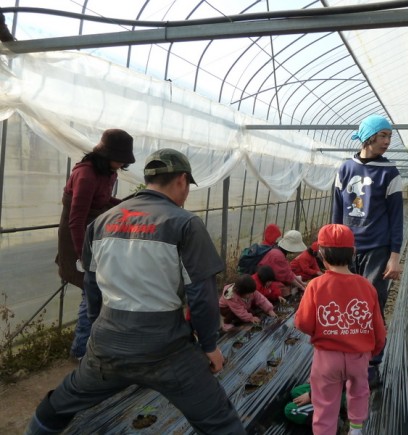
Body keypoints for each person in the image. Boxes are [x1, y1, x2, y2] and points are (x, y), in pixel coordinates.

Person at [26, 149, 245, 435]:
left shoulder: (101, 223)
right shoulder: (184, 223)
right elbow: (201, 296)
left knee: (56, 407)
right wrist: (209, 345)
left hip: (106, 345)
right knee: (220, 420)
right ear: (181, 180)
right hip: (166, 349)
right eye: (188, 186)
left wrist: (97, 329)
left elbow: (92, 288)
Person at [294, 224, 386, 435]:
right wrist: (372, 350)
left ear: (321, 255)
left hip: (327, 358)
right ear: (353, 253)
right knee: (359, 391)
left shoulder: (315, 286)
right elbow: (378, 328)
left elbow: (303, 323)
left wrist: (323, 331)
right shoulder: (366, 286)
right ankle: (355, 429)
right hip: (359, 356)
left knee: (324, 401)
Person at [55, 128, 135, 360]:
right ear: (107, 154)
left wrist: (124, 204)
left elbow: (100, 200)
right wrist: (83, 256)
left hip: (96, 233)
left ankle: (90, 346)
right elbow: (76, 218)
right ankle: (81, 350)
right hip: (77, 237)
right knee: (91, 292)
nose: (122, 164)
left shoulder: (109, 172)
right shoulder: (87, 174)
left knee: (97, 292)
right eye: (120, 159)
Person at [332, 114, 403, 364]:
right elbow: (337, 212)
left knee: (372, 302)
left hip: (377, 249)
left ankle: (372, 361)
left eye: (389, 136)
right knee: (345, 302)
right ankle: (349, 353)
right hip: (348, 249)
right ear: (368, 136)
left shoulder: (390, 172)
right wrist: (333, 247)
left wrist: (394, 257)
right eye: (383, 135)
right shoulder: (345, 168)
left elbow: (397, 218)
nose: (387, 141)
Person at [258, 230, 308, 296]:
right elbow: (287, 277)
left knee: (296, 280)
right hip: (262, 281)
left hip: (268, 278)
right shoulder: (278, 256)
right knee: (283, 288)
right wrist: (301, 287)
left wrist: (302, 283)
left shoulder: (278, 251)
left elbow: (288, 272)